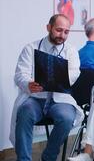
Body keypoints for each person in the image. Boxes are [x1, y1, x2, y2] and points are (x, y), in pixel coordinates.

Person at [10, 14, 84, 161]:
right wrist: (28, 84)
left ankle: (49, 157)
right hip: (35, 98)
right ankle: (24, 159)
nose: (62, 35)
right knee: (24, 113)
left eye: (66, 32)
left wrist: (58, 77)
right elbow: (20, 74)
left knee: (67, 118)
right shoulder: (30, 48)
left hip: (60, 99)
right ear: (48, 27)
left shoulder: (71, 50)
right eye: (58, 30)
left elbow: (75, 72)